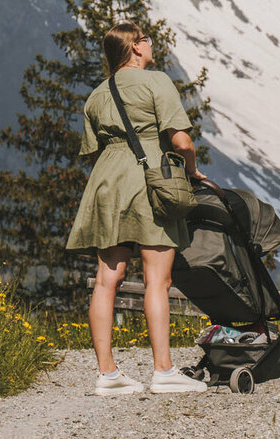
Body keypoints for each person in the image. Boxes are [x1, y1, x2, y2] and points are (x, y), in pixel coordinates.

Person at [67, 22, 208, 396]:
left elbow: (94, 148)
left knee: (105, 279)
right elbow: (180, 140)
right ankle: (163, 371)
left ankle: (107, 374)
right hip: (148, 179)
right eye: (145, 39)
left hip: (106, 184)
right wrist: (192, 170)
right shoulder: (156, 82)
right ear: (134, 47)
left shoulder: (97, 95)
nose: (150, 43)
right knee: (157, 279)